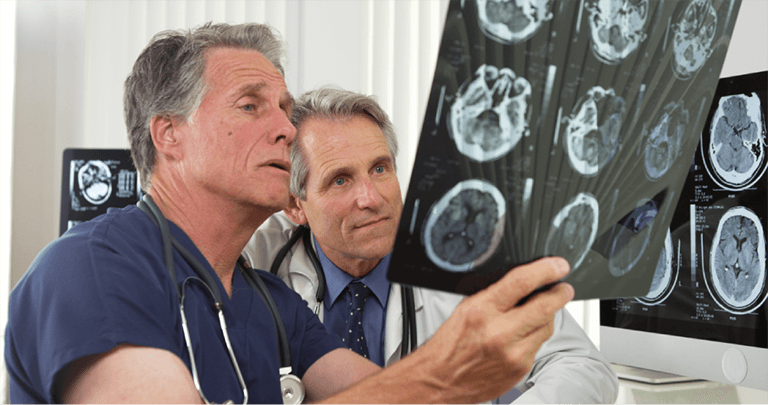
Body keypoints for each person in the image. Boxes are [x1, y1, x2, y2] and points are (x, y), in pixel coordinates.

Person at [5, 22, 575, 404]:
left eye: (282, 106)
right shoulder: (89, 269)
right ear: (169, 134)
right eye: (251, 105)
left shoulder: (271, 305)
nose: (285, 127)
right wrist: (442, 373)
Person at [242, 86, 619, 404]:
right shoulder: (259, 261)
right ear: (295, 205)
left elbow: (580, 363)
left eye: (380, 168)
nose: (371, 198)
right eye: (340, 180)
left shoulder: (464, 242)